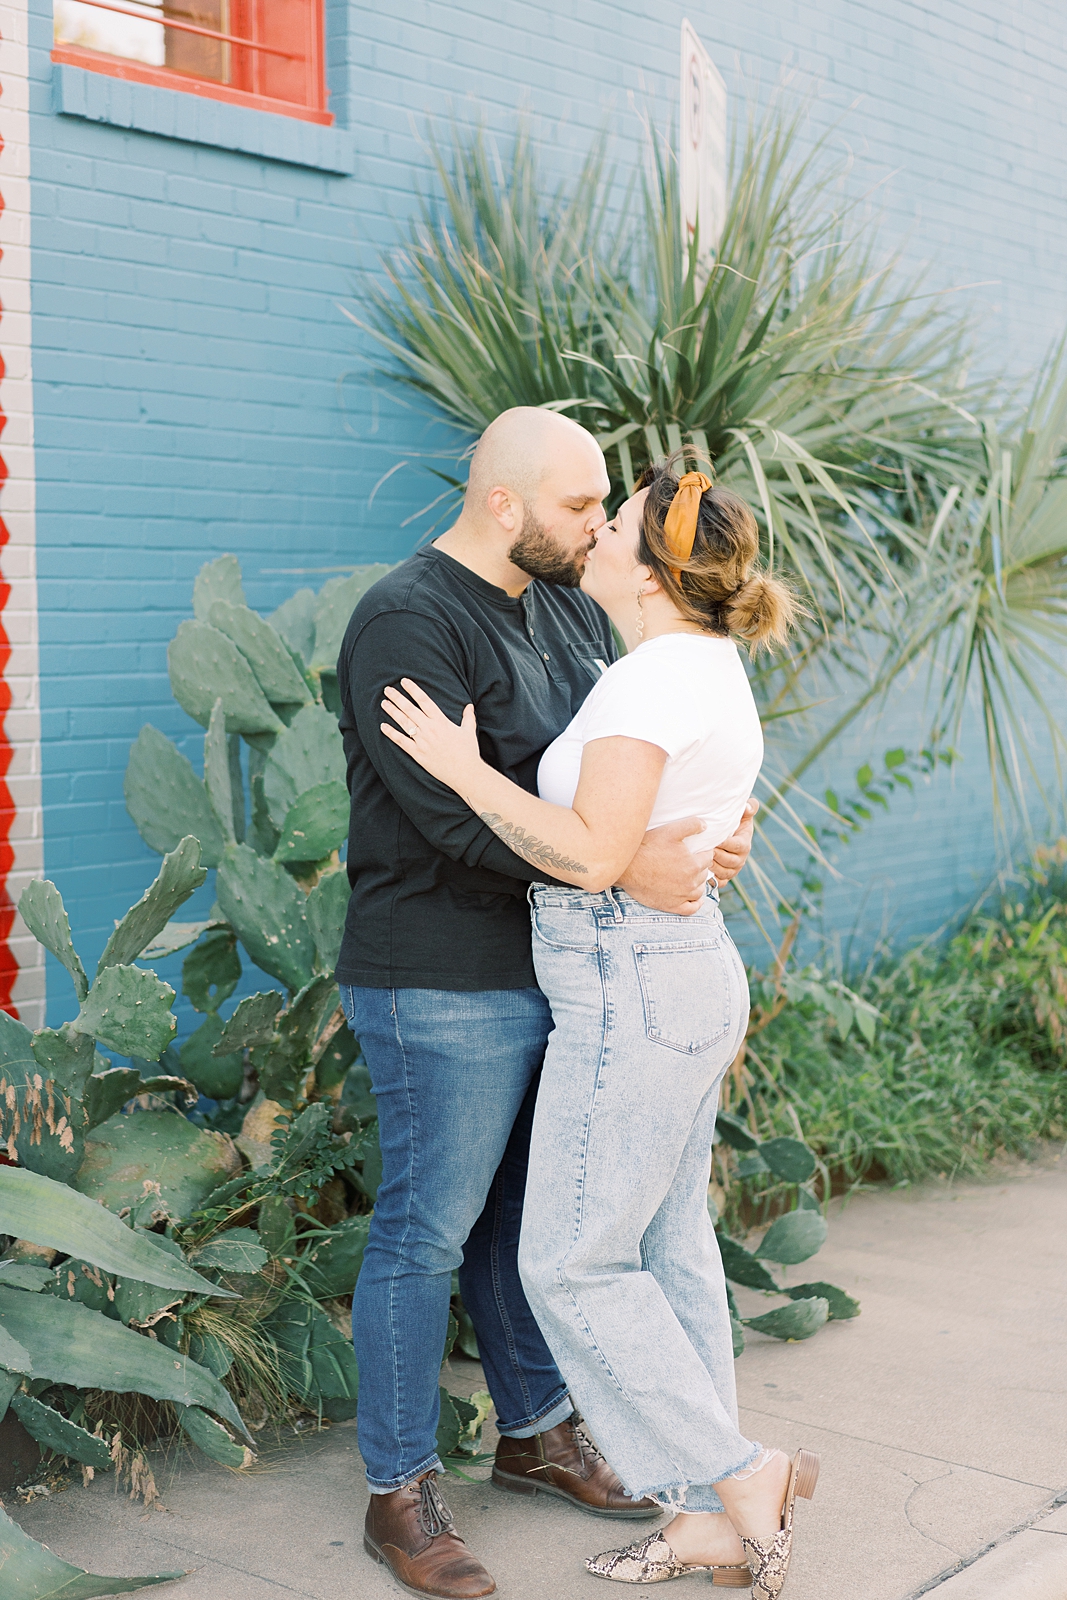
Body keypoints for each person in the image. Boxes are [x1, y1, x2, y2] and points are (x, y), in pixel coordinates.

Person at [335, 409, 756, 1600]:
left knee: (524, 1215)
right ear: (504, 503)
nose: (596, 526)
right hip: (438, 978)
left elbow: (623, 761)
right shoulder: (407, 619)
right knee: (426, 1228)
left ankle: (534, 1429)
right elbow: (449, 812)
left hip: (562, 969)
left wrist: (707, 830)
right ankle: (399, 1485)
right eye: (580, 506)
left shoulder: (570, 605)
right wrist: (629, 863)